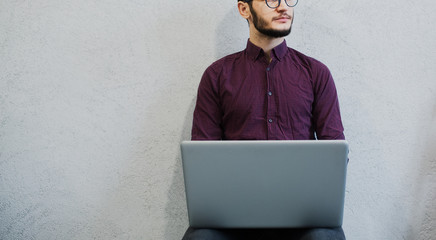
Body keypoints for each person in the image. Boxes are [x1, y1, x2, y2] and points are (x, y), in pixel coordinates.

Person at [182, 0, 346, 239]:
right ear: (244, 9)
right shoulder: (216, 76)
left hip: (303, 218)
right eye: (271, 0)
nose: (283, 7)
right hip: (231, 216)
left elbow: (335, 158)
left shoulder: (316, 73)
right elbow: (202, 161)